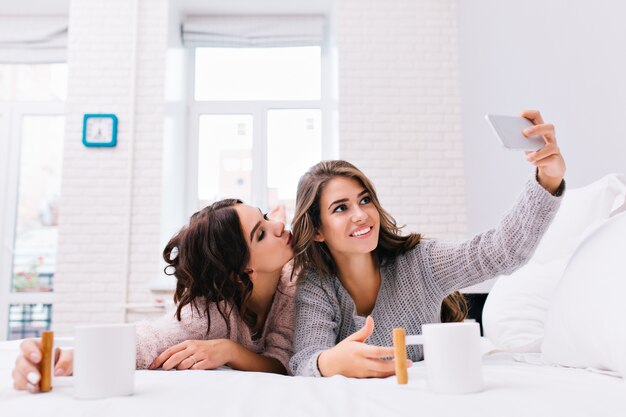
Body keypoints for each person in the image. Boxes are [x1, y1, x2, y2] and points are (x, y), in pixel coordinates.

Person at [289, 110, 566, 378]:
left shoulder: (421, 262)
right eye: (340, 208)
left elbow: (501, 251)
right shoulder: (317, 286)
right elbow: (305, 360)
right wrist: (329, 362)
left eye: (364, 200)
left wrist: (548, 178)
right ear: (317, 231)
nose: (361, 215)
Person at [13, 200, 295, 393]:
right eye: (261, 234)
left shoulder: (295, 285)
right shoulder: (211, 313)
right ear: (240, 272)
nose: (279, 226)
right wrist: (70, 358)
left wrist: (229, 351)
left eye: (266, 217)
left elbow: (281, 363)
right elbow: (149, 340)